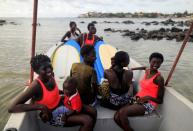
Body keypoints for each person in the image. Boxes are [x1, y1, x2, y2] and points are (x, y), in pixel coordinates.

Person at [8, 54, 95, 131]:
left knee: (92, 111)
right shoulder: (36, 86)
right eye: (44, 69)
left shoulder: (51, 75)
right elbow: (12, 107)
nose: (49, 70)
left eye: (49, 66)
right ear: (36, 71)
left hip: (62, 104)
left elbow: (55, 92)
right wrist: (41, 107)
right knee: (88, 120)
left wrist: (68, 94)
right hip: (52, 115)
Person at [114, 52, 165, 131]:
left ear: (161, 64)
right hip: (137, 99)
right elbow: (144, 67)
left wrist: (148, 97)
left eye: (158, 63)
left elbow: (160, 100)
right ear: (150, 61)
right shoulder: (148, 71)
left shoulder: (159, 78)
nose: (156, 64)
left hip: (148, 104)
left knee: (122, 113)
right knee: (116, 117)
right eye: (154, 62)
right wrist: (132, 69)